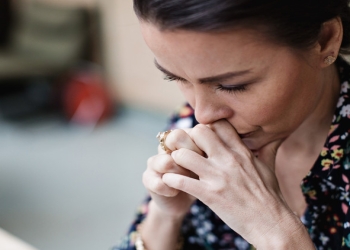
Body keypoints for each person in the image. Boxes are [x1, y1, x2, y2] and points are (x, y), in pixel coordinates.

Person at [114, 0, 350, 249]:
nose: (202, 114)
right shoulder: (190, 121)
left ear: (324, 40)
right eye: (175, 77)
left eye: (232, 86)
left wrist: (276, 233)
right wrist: (165, 217)